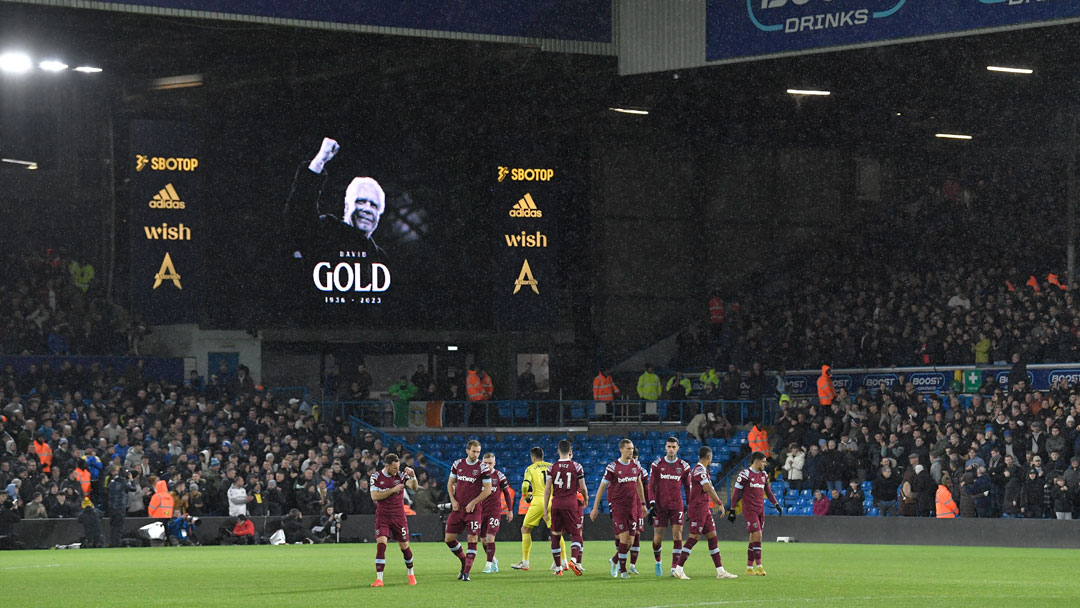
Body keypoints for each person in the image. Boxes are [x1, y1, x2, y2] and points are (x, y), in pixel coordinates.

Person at [285, 137, 387, 262]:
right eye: (360, 201)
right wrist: (319, 161)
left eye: (374, 205)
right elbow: (299, 214)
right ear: (347, 206)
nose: (367, 209)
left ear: (379, 215)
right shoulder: (326, 231)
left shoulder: (380, 259)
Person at [673, 446, 737, 580]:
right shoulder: (699, 470)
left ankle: (720, 571)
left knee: (712, 536)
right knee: (694, 537)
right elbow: (707, 488)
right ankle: (678, 569)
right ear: (709, 457)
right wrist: (720, 503)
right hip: (697, 509)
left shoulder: (702, 470)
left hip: (704, 508)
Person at [589, 438, 646, 579]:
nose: (631, 451)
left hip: (632, 507)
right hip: (618, 507)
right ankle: (623, 570)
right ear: (621, 450)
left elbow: (639, 484)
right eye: (628, 449)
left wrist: (643, 504)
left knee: (630, 542)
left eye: (632, 449)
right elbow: (602, 487)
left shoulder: (635, 465)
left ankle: (614, 560)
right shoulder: (613, 467)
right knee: (624, 539)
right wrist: (595, 508)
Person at [444, 440, 492, 582]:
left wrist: (473, 502)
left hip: (474, 509)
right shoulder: (458, 464)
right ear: (467, 450)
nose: (476, 454)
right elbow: (450, 483)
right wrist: (453, 500)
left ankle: (466, 572)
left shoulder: (483, 468)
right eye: (473, 451)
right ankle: (464, 561)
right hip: (458, 508)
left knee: (472, 539)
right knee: (449, 539)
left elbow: (488, 490)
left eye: (478, 452)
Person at [728, 451, 782, 576]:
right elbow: (736, 492)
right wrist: (732, 509)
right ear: (756, 462)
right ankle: (759, 566)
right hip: (749, 509)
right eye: (763, 462)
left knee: (754, 538)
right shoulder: (745, 474)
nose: (765, 464)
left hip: (760, 509)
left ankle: (748, 568)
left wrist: (776, 504)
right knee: (758, 535)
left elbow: (768, 491)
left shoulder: (764, 475)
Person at [369, 453, 418, 587]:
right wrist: (393, 490)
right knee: (381, 544)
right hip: (383, 516)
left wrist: (413, 475)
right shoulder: (376, 477)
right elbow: (374, 496)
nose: (397, 471)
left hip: (398, 517)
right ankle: (379, 579)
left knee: (404, 546)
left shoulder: (401, 476)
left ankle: (411, 574)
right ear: (387, 466)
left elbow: (414, 487)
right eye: (394, 468)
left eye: (398, 467)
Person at [512, 446, 565, 571]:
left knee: (525, 529)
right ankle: (562, 560)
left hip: (538, 501)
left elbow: (525, 485)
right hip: (552, 501)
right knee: (556, 532)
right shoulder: (552, 466)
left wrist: (526, 496)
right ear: (543, 456)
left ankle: (525, 562)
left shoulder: (530, 468)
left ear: (532, 457)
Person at [648, 436, 691, 578]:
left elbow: (688, 488)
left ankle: (674, 568)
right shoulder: (657, 465)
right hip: (660, 506)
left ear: (678, 448)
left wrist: (689, 505)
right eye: (669, 447)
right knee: (657, 538)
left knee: (677, 535)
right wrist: (652, 503)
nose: (671, 449)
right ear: (665, 448)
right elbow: (651, 486)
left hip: (676, 505)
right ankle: (658, 561)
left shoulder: (684, 466)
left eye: (674, 447)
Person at [543, 439, 588, 576]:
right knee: (576, 534)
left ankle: (558, 569)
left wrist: (545, 509)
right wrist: (585, 499)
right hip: (570, 504)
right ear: (570, 451)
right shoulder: (577, 466)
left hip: (556, 504)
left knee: (556, 535)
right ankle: (573, 560)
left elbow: (547, 490)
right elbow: (583, 488)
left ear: (558, 450)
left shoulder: (552, 467)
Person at [479, 452, 514, 574]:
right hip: (480, 511)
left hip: (494, 511)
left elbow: (507, 494)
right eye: (485, 463)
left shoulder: (499, 475)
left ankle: (488, 565)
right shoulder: (478, 476)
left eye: (490, 463)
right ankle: (493, 559)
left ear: (494, 463)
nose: (488, 465)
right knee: (483, 540)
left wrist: (510, 510)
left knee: (490, 537)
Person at [107, 467, 136, 547]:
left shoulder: (111, 482)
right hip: (120, 508)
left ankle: (113, 543)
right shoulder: (123, 482)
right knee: (119, 528)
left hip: (112, 508)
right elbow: (133, 489)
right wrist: (131, 480)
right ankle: (117, 544)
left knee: (113, 527)